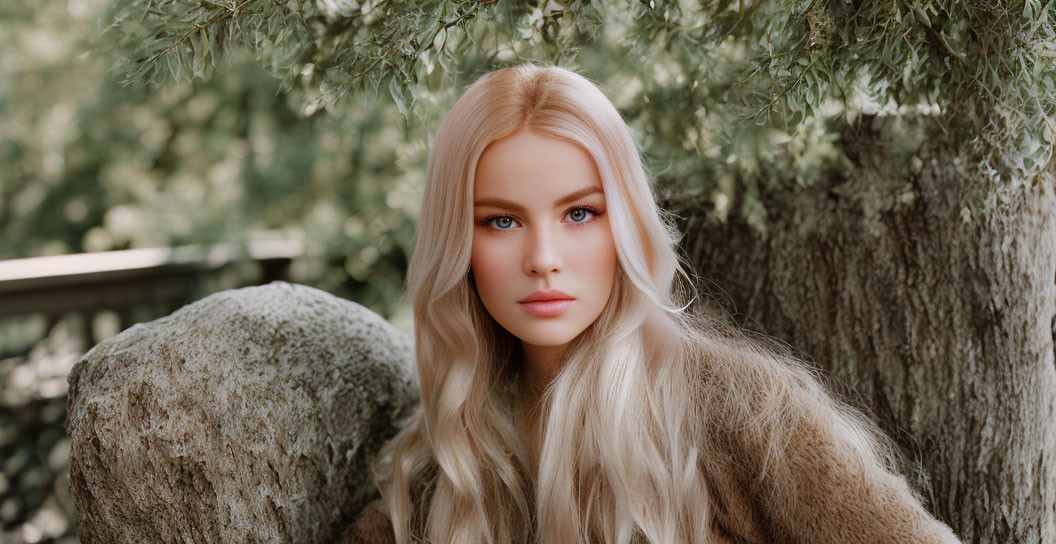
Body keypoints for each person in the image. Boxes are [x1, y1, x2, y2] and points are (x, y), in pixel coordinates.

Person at [342, 62, 961, 543]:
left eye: (580, 213)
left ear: (627, 226)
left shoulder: (742, 409)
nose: (544, 257)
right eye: (501, 222)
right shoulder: (448, 470)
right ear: (458, 244)